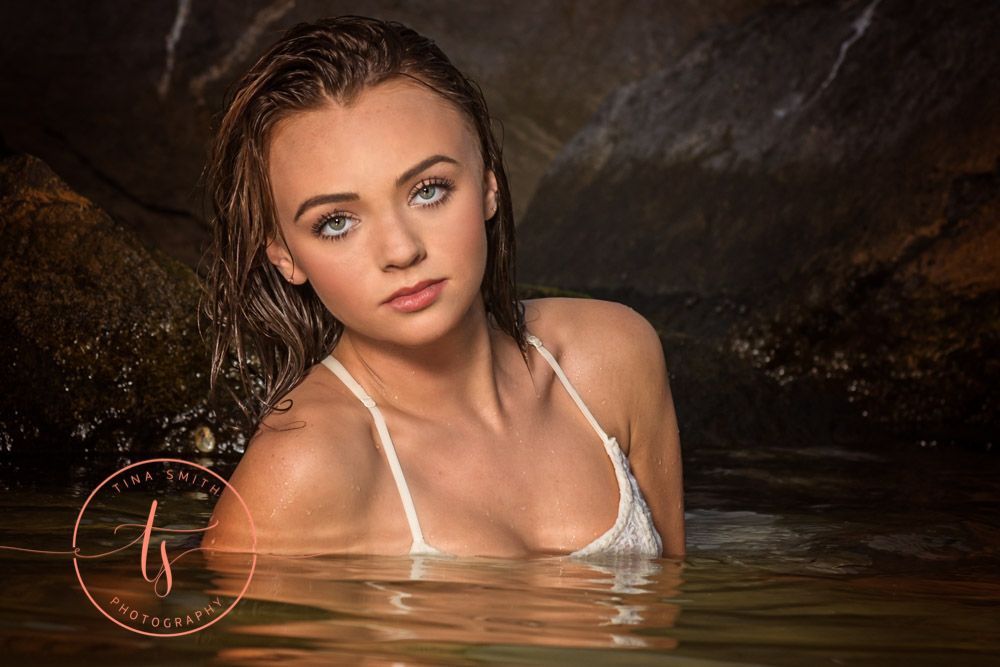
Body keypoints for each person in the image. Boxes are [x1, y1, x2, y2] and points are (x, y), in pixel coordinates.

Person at [204, 16, 684, 558]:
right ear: (286, 256)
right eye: (337, 221)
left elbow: (670, 613)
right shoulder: (302, 468)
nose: (402, 250)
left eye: (428, 190)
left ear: (487, 185)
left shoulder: (613, 358)